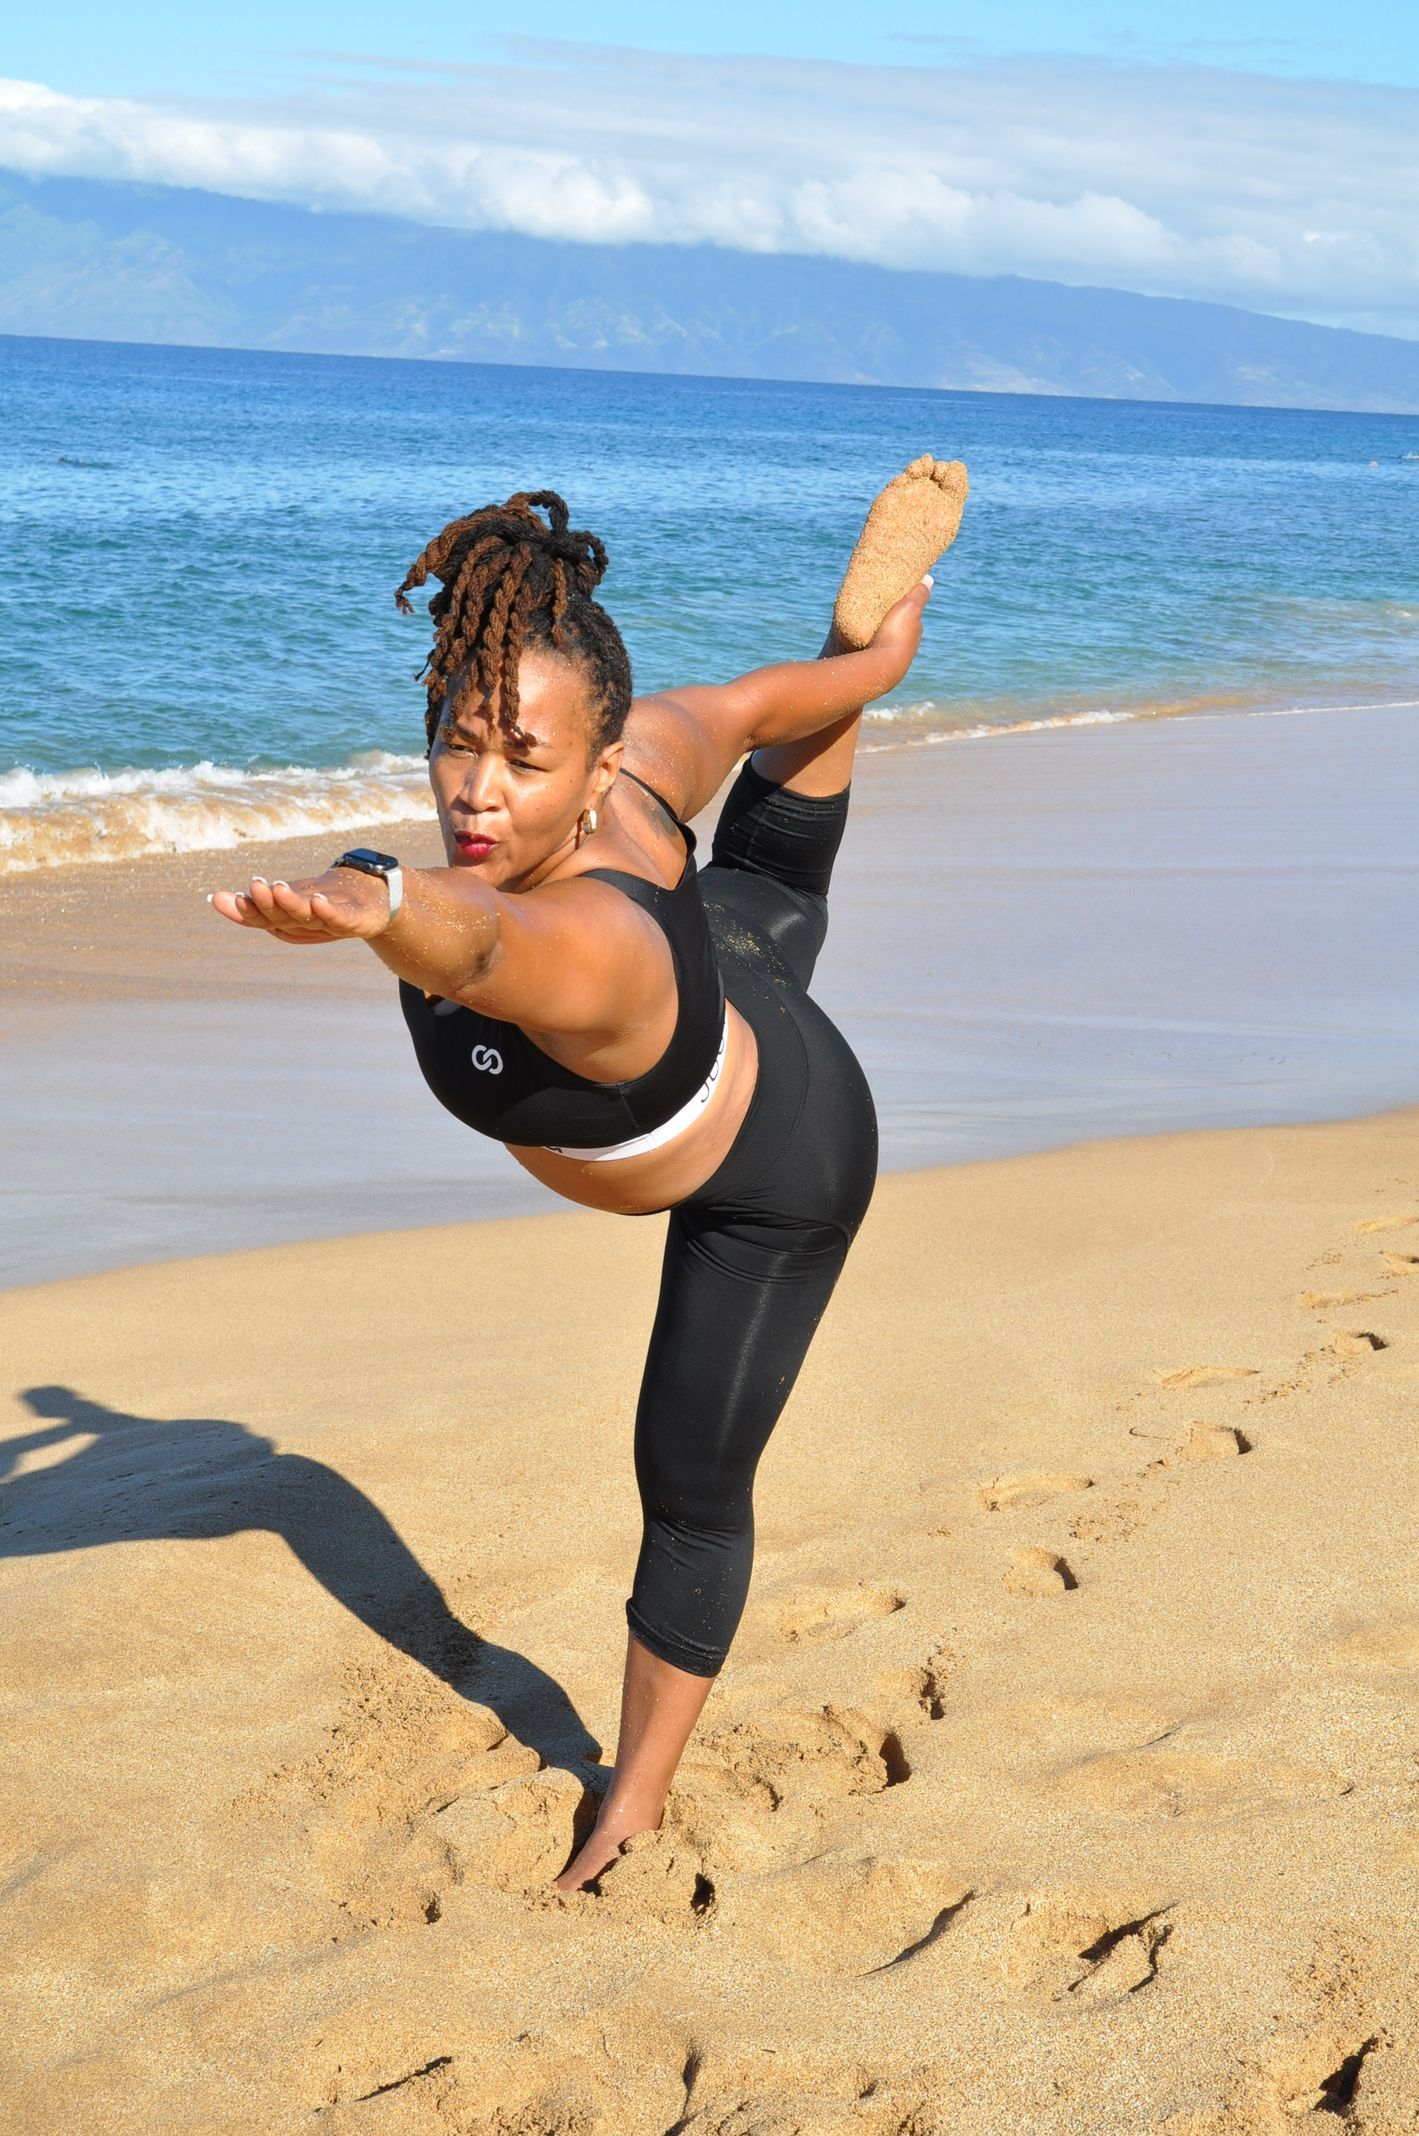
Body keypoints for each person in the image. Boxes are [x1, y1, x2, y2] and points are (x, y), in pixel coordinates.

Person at [211, 461, 966, 1891]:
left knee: (687, 1479)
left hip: (780, 1149)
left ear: (603, 769)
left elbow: (484, 950)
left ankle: (632, 1795)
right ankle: (852, 649)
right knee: (780, 813)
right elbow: (749, 711)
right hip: (746, 932)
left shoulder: (588, 938)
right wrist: (869, 657)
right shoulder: (641, 752)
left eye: (526, 761)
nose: (479, 794)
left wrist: (371, 903)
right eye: (458, 741)